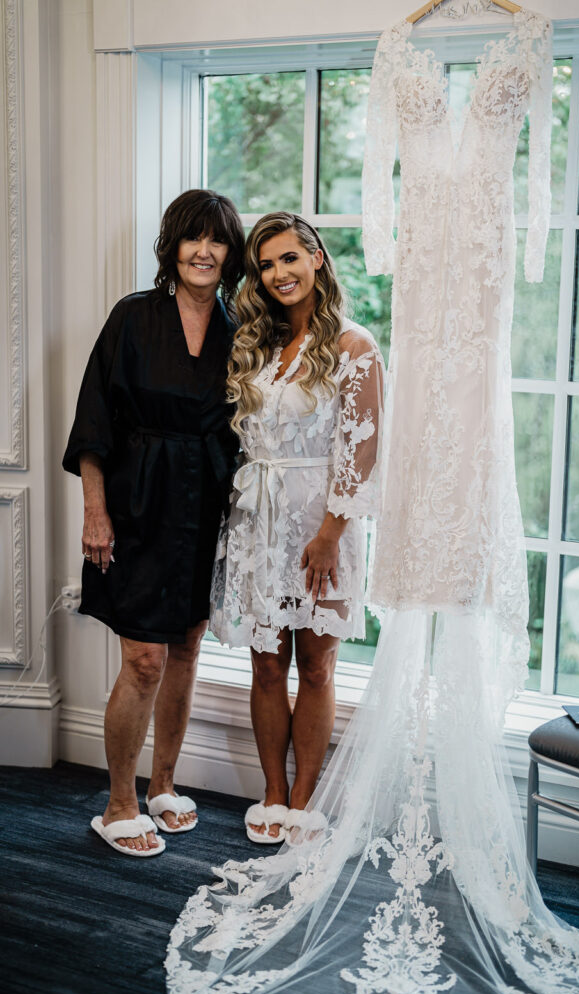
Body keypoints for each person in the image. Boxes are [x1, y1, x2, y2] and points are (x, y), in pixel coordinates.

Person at [63, 189, 245, 856]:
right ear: (172, 246)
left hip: (205, 504)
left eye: (217, 239)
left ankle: (163, 785)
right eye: (193, 238)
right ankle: (117, 803)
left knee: (187, 647)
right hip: (136, 504)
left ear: (230, 253)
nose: (204, 250)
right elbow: (93, 423)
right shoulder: (132, 318)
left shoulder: (239, 330)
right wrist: (95, 513)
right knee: (144, 660)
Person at [211, 211, 384, 844]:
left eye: (290, 257)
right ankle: (272, 793)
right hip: (257, 523)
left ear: (316, 258)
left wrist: (331, 534)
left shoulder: (354, 347)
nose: (279, 273)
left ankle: (305, 798)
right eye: (266, 264)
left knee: (315, 665)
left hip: (320, 526)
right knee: (265, 664)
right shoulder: (257, 343)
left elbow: (360, 451)